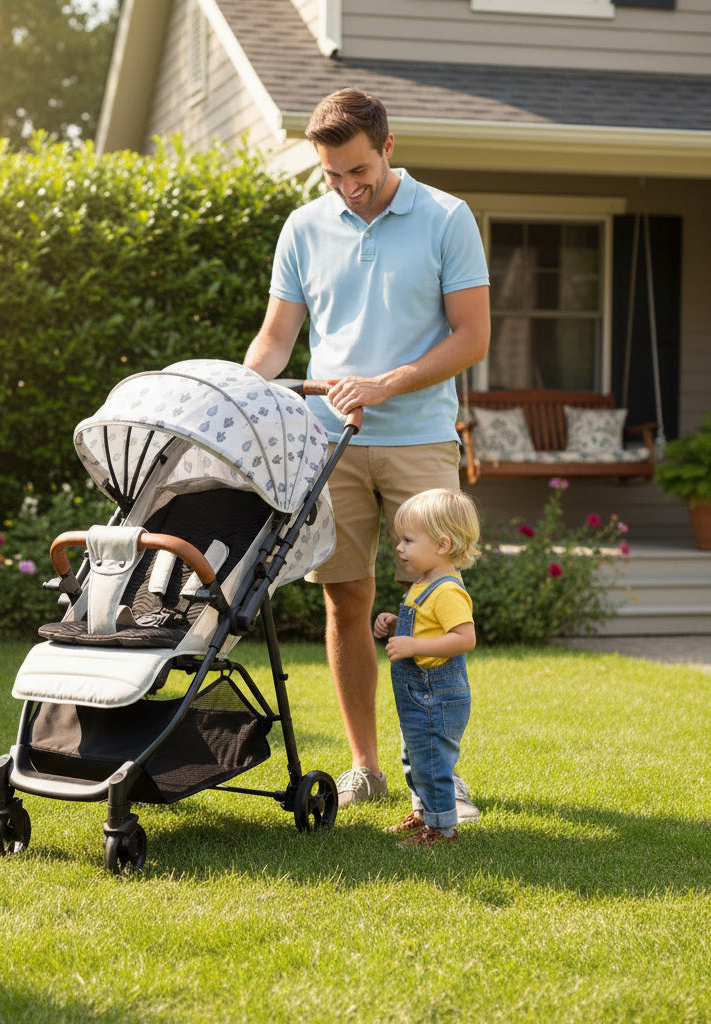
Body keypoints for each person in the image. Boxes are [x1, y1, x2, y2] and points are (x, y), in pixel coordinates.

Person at [242, 88, 490, 808]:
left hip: (417, 440)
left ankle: (437, 775)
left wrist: (386, 385)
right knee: (346, 602)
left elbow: (470, 338)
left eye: (360, 170)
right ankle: (366, 767)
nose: (349, 186)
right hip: (330, 445)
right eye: (332, 175)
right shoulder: (304, 229)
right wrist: (234, 390)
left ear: (388, 148)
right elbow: (277, 339)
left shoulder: (446, 218)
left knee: (433, 606)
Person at [372, 488, 480, 846]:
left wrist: (414, 644)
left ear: (442, 545)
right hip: (418, 693)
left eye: (407, 540)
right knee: (416, 755)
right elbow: (423, 625)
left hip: (437, 692)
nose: (399, 547)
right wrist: (393, 623)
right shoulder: (423, 583)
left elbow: (464, 638)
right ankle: (423, 815)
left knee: (432, 761)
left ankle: (443, 829)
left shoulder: (447, 590)